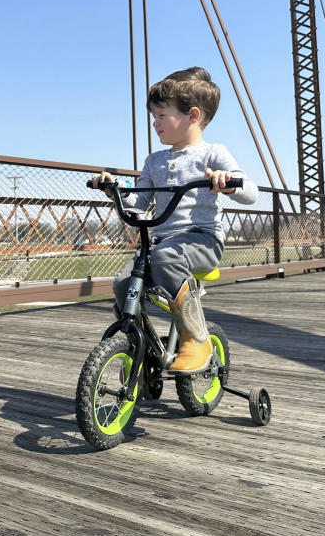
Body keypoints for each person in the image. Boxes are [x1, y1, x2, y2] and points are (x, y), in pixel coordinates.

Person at [92, 67, 258, 373]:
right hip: (162, 244)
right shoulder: (154, 160)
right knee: (122, 285)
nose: (155, 123)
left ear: (192, 115)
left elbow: (251, 192)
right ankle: (141, 345)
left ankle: (196, 338)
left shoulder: (212, 153)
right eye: (153, 117)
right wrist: (113, 189)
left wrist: (227, 180)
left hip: (202, 241)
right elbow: (140, 203)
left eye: (161, 115)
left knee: (166, 258)